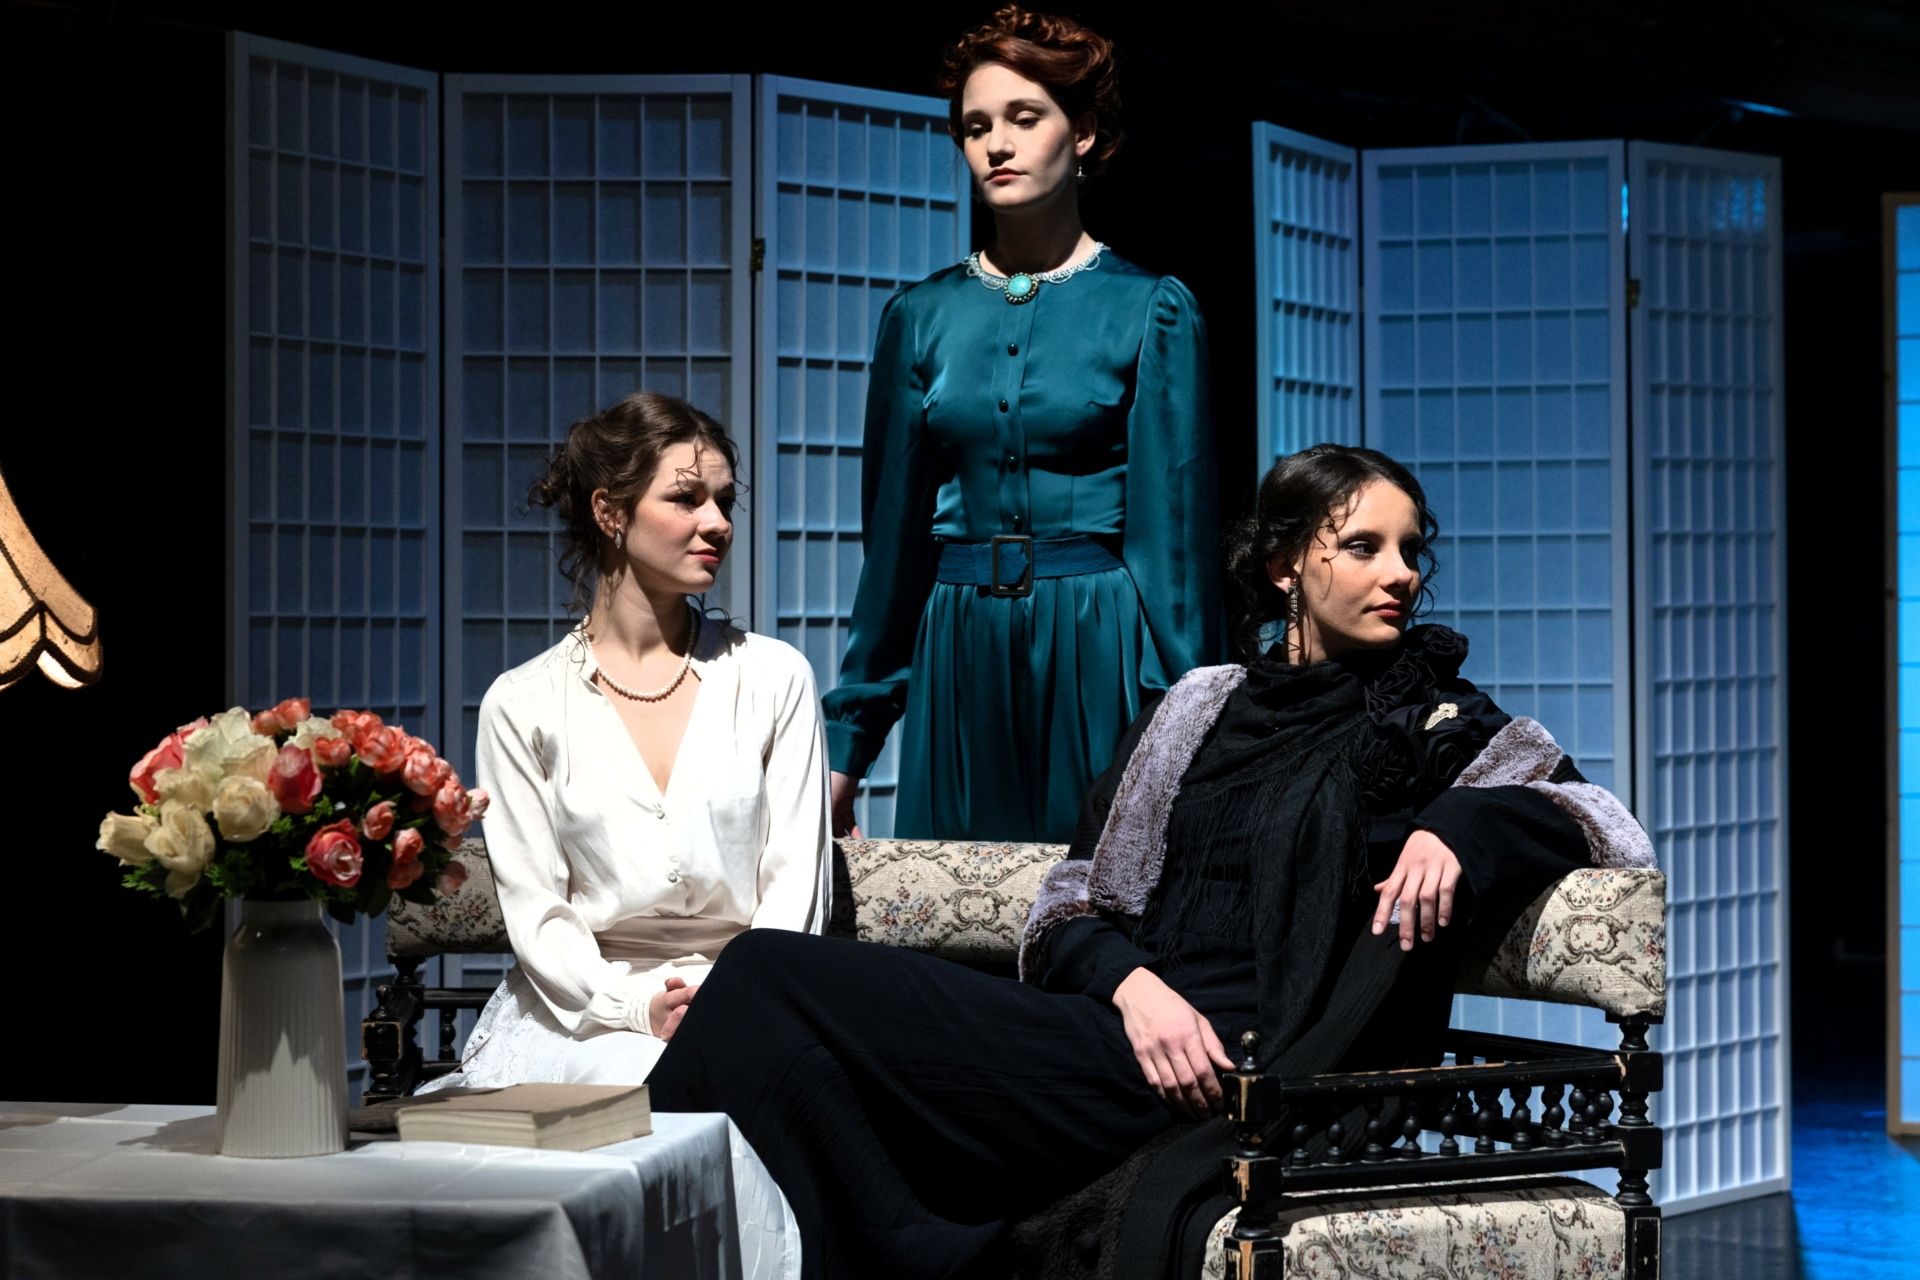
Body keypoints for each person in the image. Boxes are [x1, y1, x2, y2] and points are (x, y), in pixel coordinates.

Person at [647, 445, 1655, 1280]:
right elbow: (1069, 900)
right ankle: (921, 1252)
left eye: (1410, 550)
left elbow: (1602, 822)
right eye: (1363, 546)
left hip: (1245, 1070)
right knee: (767, 1001)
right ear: (1284, 568)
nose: (1400, 573)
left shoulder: (1433, 719)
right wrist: (1136, 990)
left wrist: (1459, 827)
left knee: (762, 981)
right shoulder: (1198, 707)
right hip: (1128, 1032)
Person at [824, 6, 1221, 843]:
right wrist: (847, 748)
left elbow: (1174, 552)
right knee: (952, 905)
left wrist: (1187, 733)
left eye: (1024, 118)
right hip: (957, 646)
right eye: (975, 127)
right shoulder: (919, 317)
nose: (996, 145)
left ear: (1083, 135)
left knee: (1089, 898)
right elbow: (892, 552)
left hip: (1097, 644)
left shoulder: (1150, 309)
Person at [432, 391, 831, 1092]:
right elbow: (539, 914)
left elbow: (796, 880)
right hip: (591, 1017)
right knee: (644, 1089)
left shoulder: (775, 679)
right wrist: (634, 1005)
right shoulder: (522, 705)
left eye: (724, 502)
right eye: (686, 498)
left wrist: (744, 995)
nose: (717, 523)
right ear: (610, 511)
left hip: (758, 1001)